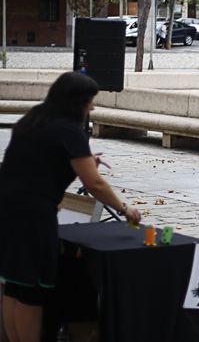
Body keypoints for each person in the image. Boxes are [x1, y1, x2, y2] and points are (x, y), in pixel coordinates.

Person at [0, 72, 142, 341]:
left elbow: (43, 162)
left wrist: (84, 161)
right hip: (34, 218)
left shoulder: (33, 120)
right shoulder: (69, 129)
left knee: (14, 285)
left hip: (8, 212)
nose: (93, 106)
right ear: (77, 101)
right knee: (32, 292)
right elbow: (95, 184)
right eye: (90, 101)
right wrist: (125, 210)